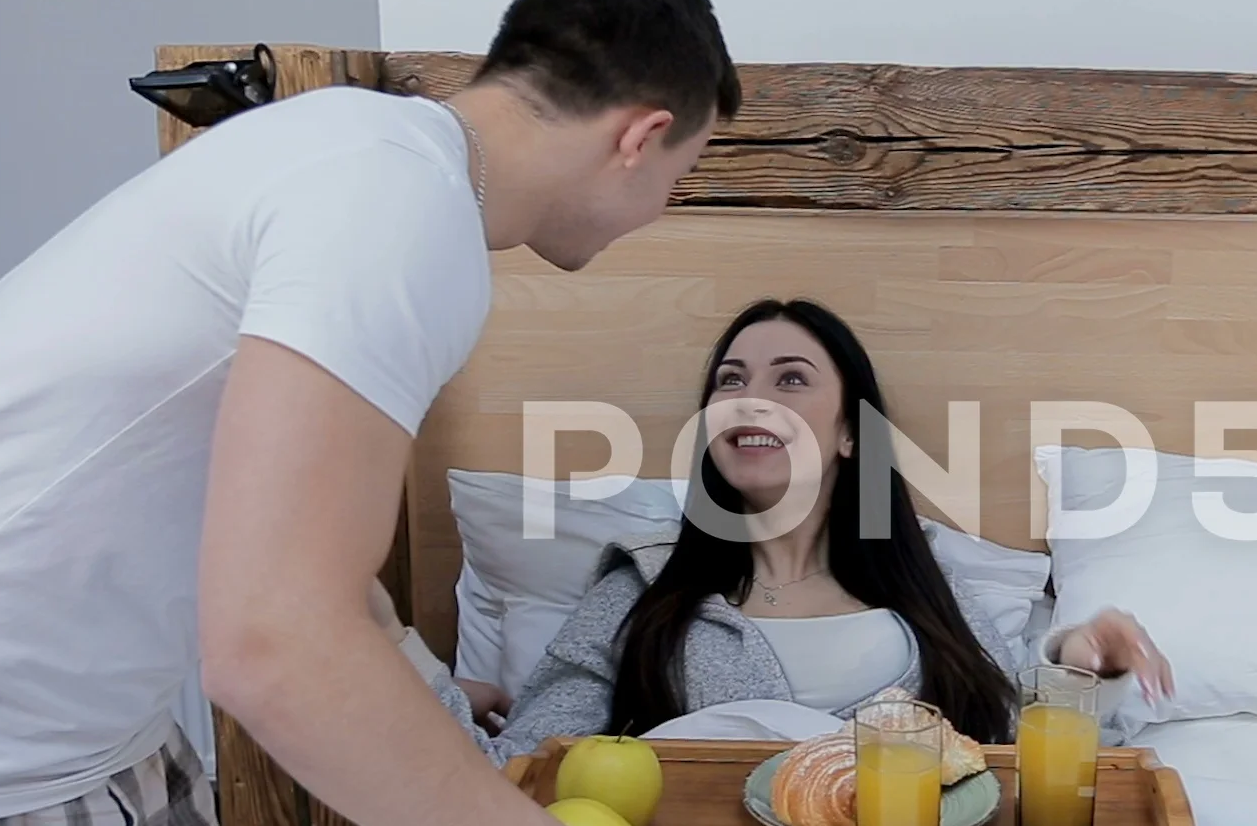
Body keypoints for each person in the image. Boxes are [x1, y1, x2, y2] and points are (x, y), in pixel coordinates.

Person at [0, 0, 794, 826]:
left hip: (112, 746)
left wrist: (428, 702)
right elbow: (274, 645)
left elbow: (311, 568)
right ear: (640, 138)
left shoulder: (348, 155)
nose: (661, 212)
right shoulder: (399, 207)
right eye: (680, 180)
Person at [386, 298, 1175, 774]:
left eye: (790, 379)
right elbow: (520, 773)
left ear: (850, 436)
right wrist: (395, 650)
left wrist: (1078, 661)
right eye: (730, 382)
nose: (748, 400)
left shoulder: (921, 586)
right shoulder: (643, 587)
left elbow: (1011, 747)